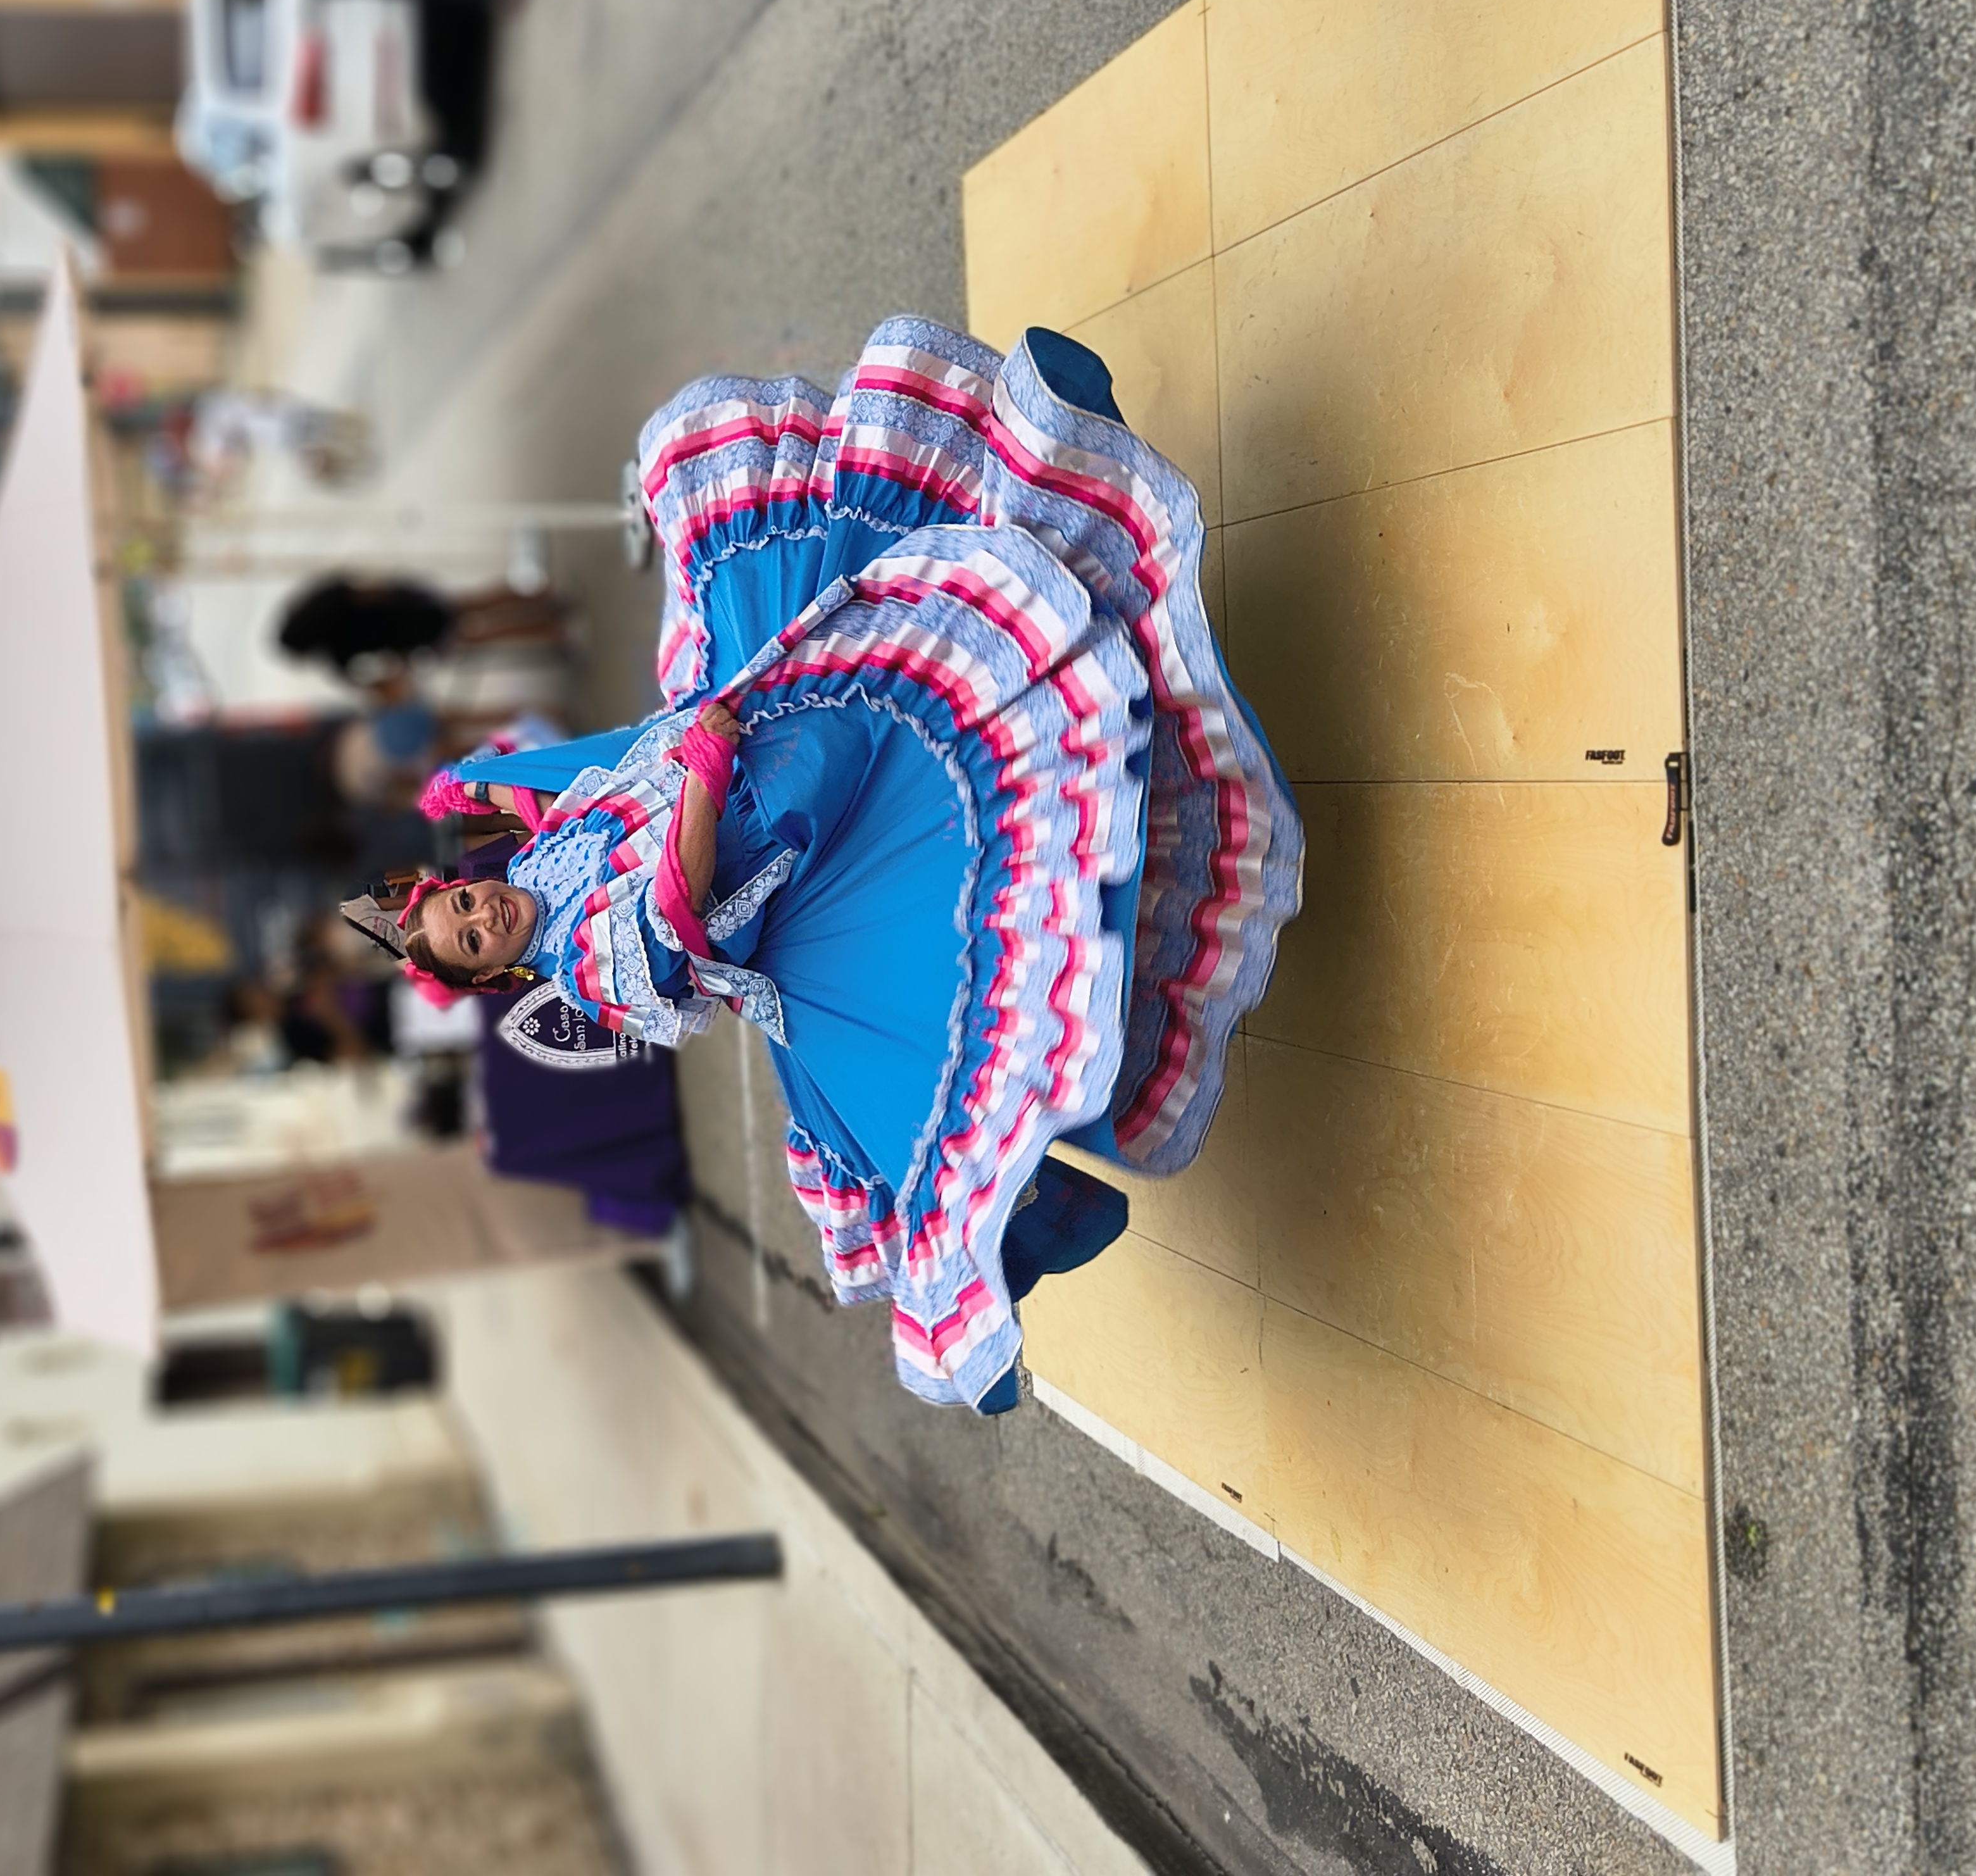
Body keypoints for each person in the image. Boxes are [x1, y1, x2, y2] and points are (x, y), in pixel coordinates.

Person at [342, 318, 1303, 1413]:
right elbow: (675, 913)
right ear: (492, 976)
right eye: (469, 939)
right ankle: (1034, 1210)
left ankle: (1064, 486)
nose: (477, 914)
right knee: (979, 864)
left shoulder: (539, 862)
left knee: (880, 590)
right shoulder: (593, 974)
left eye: (459, 899)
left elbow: (577, 795)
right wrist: (703, 777)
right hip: (796, 861)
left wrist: (484, 783)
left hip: (773, 756)